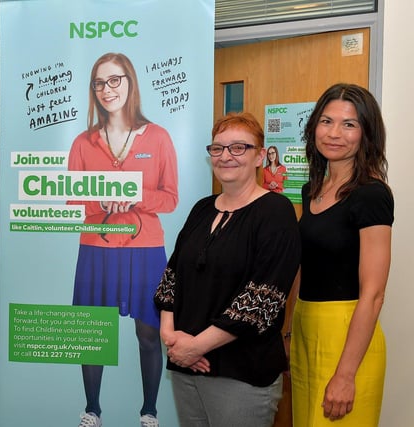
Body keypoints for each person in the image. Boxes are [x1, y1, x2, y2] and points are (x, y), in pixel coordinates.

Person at [154, 112, 301, 427]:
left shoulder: (276, 212)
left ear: (260, 156)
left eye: (239, 148)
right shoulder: (202, 208)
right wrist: (170, 337)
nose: (226, 156)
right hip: (186, 366)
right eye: (218, 149)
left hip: (242, 373)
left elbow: (262, 300)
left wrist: (196, 346)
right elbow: (172, 276)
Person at [69, 52, 178, 427]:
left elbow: (171, 197)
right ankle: (92, 410)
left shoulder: (159, 137)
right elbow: (71, 200)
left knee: (149, 333)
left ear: (130, 82)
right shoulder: (84, 142)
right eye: (99, 82)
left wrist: (137, 198)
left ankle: (149, 411)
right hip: (96, 250)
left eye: (115, 80)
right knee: (91, 333)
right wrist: (99, 201)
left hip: (145, 249)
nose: (107, 89)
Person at [290, 83, 394, 426]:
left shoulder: (371, 195)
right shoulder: (311, 190)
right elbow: (305, 266)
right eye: (326, 121)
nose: (334, 133)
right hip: (306, 328)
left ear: (366, 134)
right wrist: (289, 331)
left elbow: (374, 293)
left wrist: (346, 375)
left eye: (349, 124)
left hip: (349, 335)